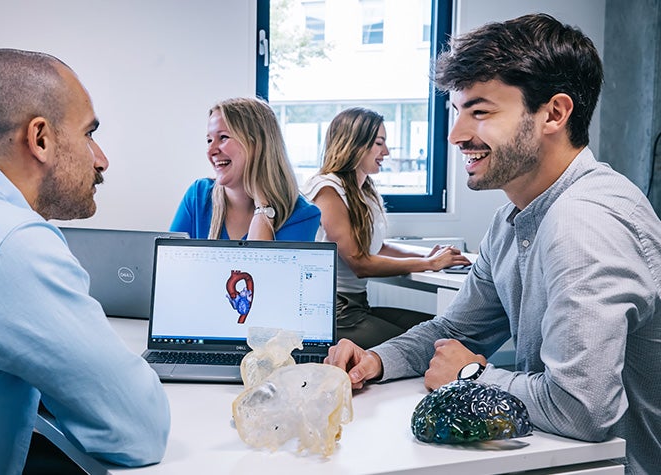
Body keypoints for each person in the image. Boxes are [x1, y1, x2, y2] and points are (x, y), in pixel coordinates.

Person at [324, 14, 661, 475]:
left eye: (479, 112)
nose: (456, 135)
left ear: (554, 114)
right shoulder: (513, 219)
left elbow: (583, 410)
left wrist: (469, 377)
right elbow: (456, 333)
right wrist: (374, 361)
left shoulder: (583, 221)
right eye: (456, 111)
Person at [0, 49, 170, 473]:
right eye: (88, 134)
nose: (100, 159)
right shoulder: (11, 244)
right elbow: (139, 430)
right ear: (40, 138)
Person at [301, 108, 471, 349]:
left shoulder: (364, 191)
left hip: (357, 306)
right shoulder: (327, 190)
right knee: (433, 344)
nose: (386, 152)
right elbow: (360, 263)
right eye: (379, 143)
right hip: (336, 315)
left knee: (441, 330)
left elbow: (377, 246)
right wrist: (429, 264)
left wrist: (428, 255)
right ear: (355, 144)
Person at [170, 96, 320, 240]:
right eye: (209, 140)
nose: (210, 151)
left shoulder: (301, 215)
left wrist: (263, 209)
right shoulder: (198, 196)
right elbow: (168, 262)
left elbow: (259, 265)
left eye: (223, 137)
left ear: (258, 145)